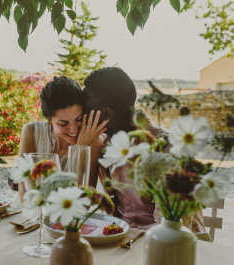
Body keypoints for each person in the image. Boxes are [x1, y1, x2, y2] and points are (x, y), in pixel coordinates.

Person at [82, 67, 205, 232]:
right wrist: (81, 147)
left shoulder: (170, 153)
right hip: (124, 244)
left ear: (106, 114)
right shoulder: (105, 146)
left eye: (86, 113)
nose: (83, 120)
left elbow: (169, 231)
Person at [11, 76, 109, 208]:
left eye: (78, 119)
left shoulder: (94, 142)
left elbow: (84, 203)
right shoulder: (31, 132)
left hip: (68, 219)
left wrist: (81, 148)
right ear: (50, 120)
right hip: (28, 213)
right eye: (63, 123)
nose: (73, 129)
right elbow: (25, 192)